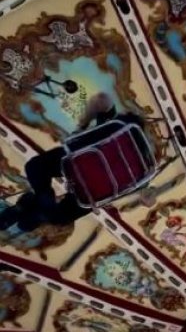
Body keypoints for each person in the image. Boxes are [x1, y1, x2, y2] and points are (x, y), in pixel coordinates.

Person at [0, 93, 146, 232]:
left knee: (36, 167)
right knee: (61, 214)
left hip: (81, 167)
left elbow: (102, 99)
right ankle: (40, 212)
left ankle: (40, 202)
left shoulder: (115, 126)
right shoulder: (141, 163)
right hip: (92, 189)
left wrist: (81, 127)